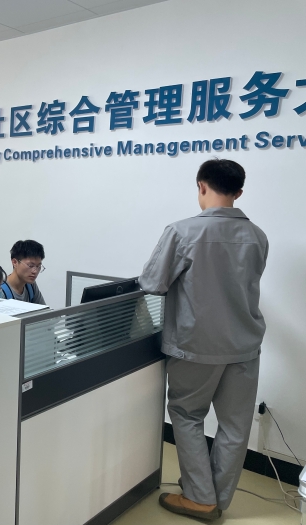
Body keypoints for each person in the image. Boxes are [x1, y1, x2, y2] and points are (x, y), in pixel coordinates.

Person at [139, 159, 268, 521]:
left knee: (186, 414)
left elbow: (152, 283)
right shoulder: (258, 235)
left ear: (201, 186)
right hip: (244, 345)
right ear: (239, 192)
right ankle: (216, 498)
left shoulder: (182, 231)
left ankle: (199, 498)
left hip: (195, 345)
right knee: (235, 425)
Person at [0, 240, 47, 304]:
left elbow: (44, 309)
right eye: (30, 266)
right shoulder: (0, 291)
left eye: (38, 266)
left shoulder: (31, 285)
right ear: (15, 262)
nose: (35, 271)